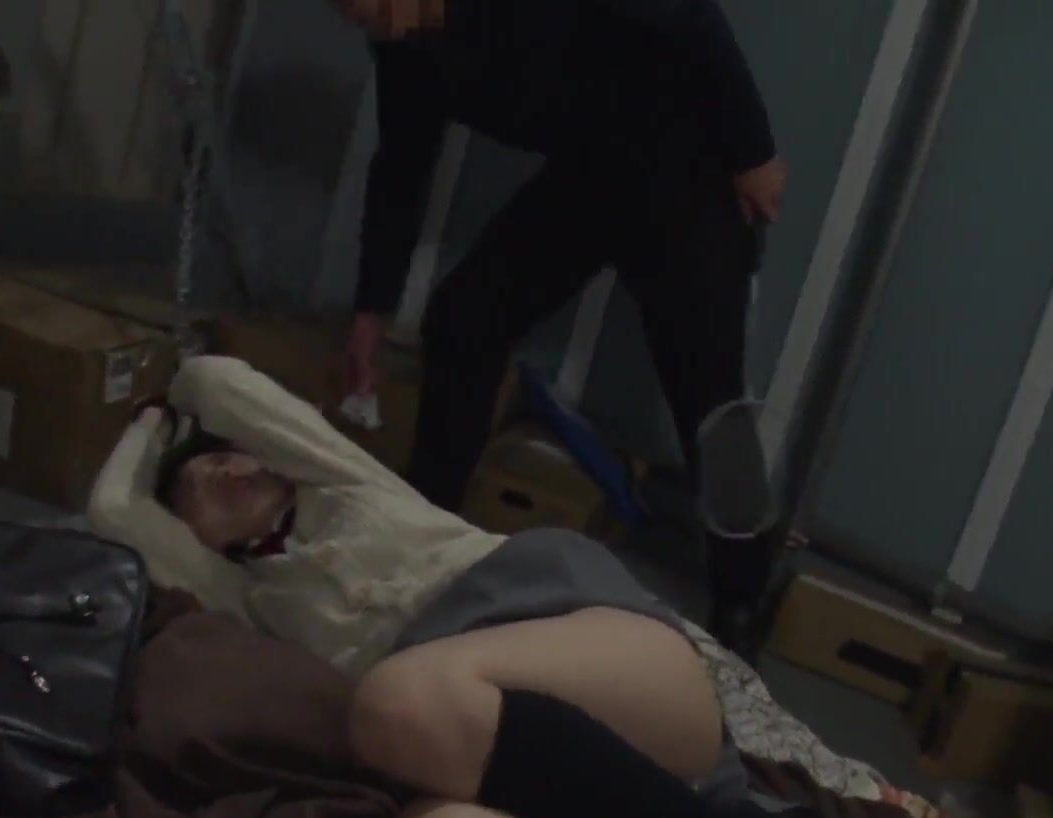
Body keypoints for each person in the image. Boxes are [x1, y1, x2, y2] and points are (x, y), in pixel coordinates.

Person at [99, 357, 938, 818]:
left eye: (229, 456)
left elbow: (215, 379)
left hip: (594, 660)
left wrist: (171, 400)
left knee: (392, 701)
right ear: (198, 540)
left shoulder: (344, 481)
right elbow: (112, 514)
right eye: (199, 486)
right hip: (517, 773)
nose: (225, 473)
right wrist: (146, 438)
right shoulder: (248, 598)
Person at [331, 0, 788, 649]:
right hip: (591, 173)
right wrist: (370, 310)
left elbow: (688, 12)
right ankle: (429, 529)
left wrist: (753, 151)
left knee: (710, 407)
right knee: (464, 322)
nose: (350, 18)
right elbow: (402, 167)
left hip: (688, 172)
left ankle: (742, 598)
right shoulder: (404, 45)